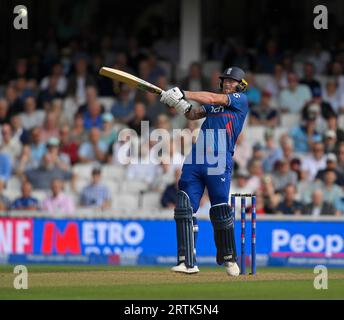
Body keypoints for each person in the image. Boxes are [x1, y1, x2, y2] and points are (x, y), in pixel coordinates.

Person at [160, 66, 249, 276]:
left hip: (219, 159)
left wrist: (184, 93)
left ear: (240, 85)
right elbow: (193, 114)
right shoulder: (215, 104)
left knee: (219, 209)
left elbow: (211, 98)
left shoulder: (239, 101)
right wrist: (178, 103)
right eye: (225, 80)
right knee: (184, 207)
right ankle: (187, 261)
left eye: (232, 81)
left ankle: (228, 257)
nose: (228, 83)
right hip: (197, 157)